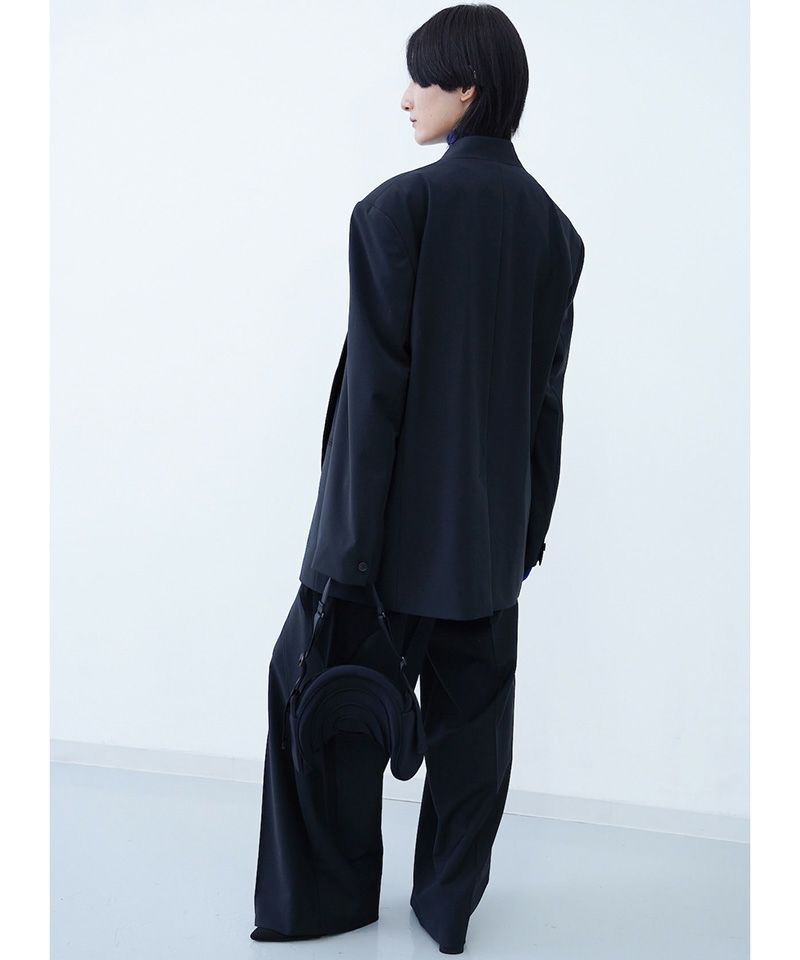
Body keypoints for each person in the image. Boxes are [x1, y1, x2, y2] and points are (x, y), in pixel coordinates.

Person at [252, 4, 586, 954]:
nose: (406, 98)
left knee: (308, 695)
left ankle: (325, 904)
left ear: (467, 89)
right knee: (474, 734)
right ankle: (445, 910)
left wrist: (343, 552)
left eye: (422, 79)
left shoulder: (396, 212)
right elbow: (545, 406)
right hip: (488, 549)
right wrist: (524, 539)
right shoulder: (555, 234)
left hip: (385, 545)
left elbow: (375, 398)